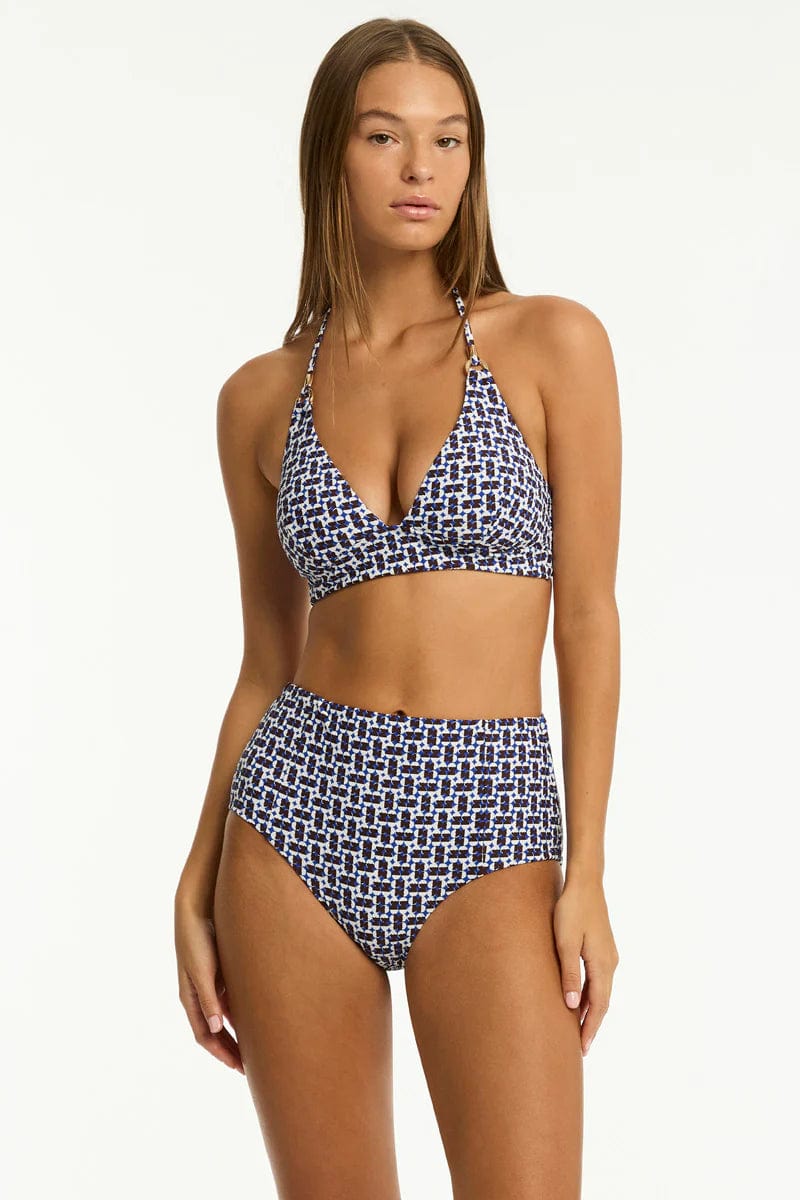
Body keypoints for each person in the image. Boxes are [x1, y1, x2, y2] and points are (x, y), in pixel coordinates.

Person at [174, 16, 621, 1200]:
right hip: (294, 821)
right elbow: (264, 663)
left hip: (489, 817)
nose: (421, 167)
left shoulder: (549, 344)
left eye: (448, 139)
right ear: (331, 153)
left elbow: (586, 619)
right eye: (384, 136)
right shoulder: (259, 398)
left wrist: (584, 870)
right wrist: (194, 879)